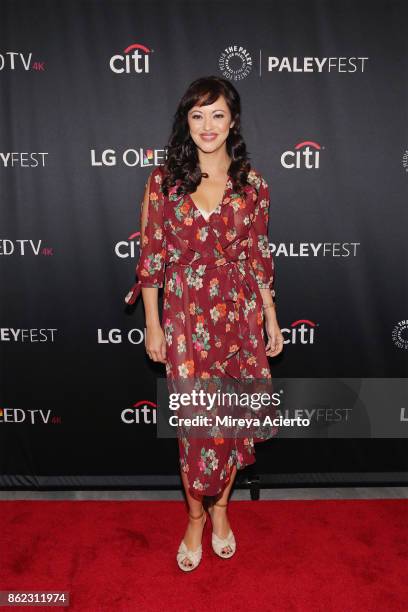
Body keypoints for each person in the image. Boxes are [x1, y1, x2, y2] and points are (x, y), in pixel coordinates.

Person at [125, 76, 284, 571]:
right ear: (186, 123)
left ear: (233, 120)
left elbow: (259, 256)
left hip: (239, 316)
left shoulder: (253, 185)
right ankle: (194, 517)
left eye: (217, 114)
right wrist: (153, 324)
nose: (207, 125)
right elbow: (151, 258)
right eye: (197, 115)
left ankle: (221, 512)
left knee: (232, 423)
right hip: (187, 317)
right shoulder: (162, 182)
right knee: (196, 426)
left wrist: (271, 320)